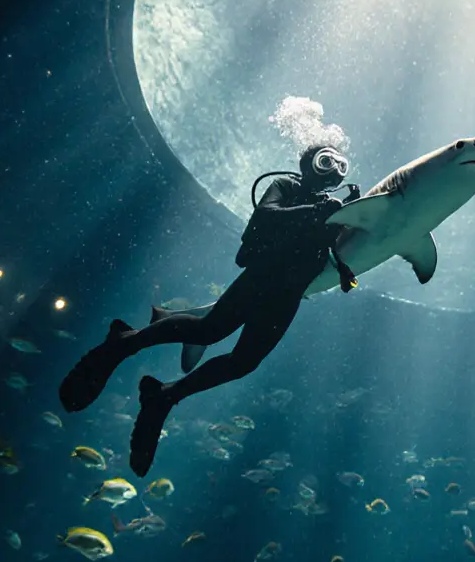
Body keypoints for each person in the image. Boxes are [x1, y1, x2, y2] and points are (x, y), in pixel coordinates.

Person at [59, 143, 356, 476]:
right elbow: (265, 215)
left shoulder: (331, 208)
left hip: (290, 296)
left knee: (243, 363)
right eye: (326, 160)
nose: (333, 169)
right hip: (262, 276)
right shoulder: (287, 186)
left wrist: (344, 266)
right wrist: (316, 212)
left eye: (340, 164)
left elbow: (327, 247)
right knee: (209, 330)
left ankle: (165, 396)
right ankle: (125, 342)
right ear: (307, 164)